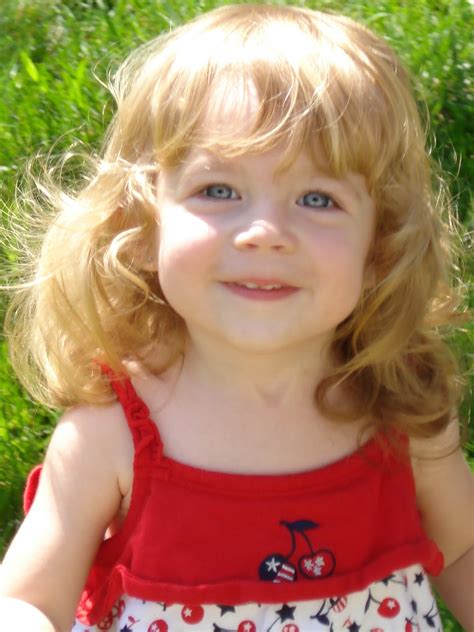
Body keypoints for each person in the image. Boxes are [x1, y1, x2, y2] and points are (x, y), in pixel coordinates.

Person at [0, 3, 472, 631]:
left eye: (317, 198)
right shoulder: (115, 430)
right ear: (141, 227)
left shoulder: (399, 407)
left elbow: (464, 550)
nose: (264, 233)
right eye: (218, 190)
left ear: (378, 246)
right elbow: (29, 599)